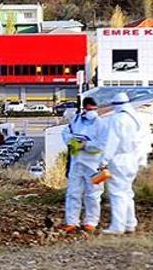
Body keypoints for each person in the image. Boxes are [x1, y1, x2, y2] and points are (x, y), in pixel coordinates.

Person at [99, 92, 143, 235]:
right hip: (132, 159)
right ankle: (130, 223)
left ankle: (117, 226)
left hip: (119, 159)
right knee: (127, 192)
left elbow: (112, 142)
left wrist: (104, 161)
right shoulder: (134, 118)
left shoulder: (117, 119)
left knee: (117, 193)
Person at [61, 97, 106, 233]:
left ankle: (91, 222)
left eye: (91, 109)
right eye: (87, 109)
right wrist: (73, 142)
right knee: (73, 193)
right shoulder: (76, 120)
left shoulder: (100, 124)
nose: (89, 111)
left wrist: (86, 145)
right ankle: (71, 222)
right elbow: (65, 133)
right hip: (77, 162)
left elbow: (103, 144)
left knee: (93, 194)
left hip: (93, 164)